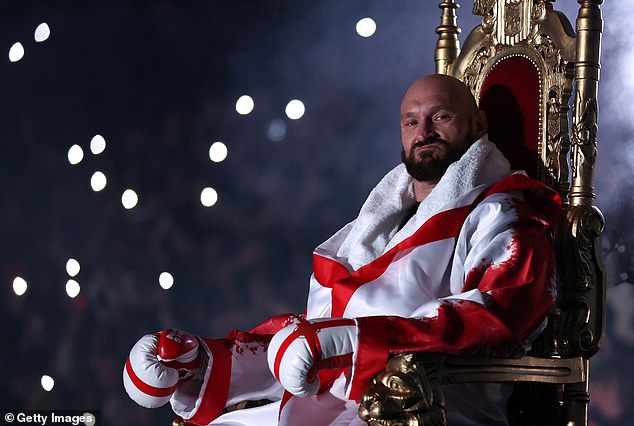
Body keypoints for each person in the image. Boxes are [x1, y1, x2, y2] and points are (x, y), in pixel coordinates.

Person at [123, 74, 561, 425]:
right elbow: (312, 331)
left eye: (440, 117)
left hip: (432, 405)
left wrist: (356, 340)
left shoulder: (503, 213)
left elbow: (501, 311)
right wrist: (202, 363)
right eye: (411, 121)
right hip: (336, 398)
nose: (423, 132)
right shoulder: (376, 223)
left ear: (479, 126)